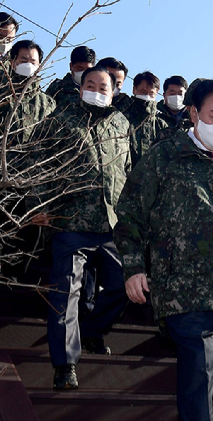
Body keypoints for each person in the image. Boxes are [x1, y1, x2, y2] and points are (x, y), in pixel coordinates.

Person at [114, 78, 213, 421]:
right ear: (193, 113)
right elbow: (129, 215)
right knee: (198, 385)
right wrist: (133, 268)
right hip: (185, 292)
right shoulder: (163, 158)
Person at [35, 66, 132, 390]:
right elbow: (40, 161)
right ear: (79, 87)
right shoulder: (59, 119)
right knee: (66, 294)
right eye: (89, 84)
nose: (95, 89)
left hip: (111, 226)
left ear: (114, 91)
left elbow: (128, 172)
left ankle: (91, 330)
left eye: (102, 86)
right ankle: (65, 365)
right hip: (70, 221)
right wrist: (41, 204)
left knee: (125, 285)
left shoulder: (121, 123)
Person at [0, 40, 55, 281]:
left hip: (31, 186)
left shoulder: (48, 104)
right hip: (3, 182)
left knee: (25, 239)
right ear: (12, 62)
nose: (27, 66)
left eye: (33, 62)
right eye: (23, 61)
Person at [122, 70, 168, 166]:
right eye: (143, 92)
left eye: (151, 93)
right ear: (134, 89)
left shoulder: (161, 125)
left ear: (157, 93)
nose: (147, 96)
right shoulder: (123, 119)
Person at [45, 46, 96, 110]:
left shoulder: (97, 91)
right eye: (80, 68)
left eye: (88, 70)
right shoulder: (58, 88)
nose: (84, 73)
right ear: (71, 66)